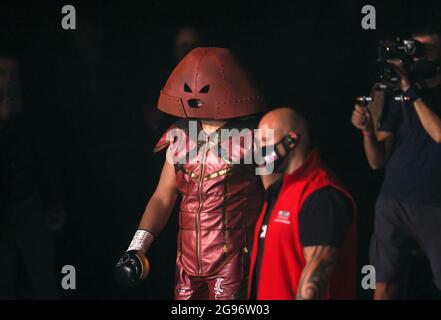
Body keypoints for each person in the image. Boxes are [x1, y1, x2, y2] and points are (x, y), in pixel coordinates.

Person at [115, 47, 267, 299]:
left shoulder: (254, 138)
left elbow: (276, 195)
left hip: (234, 260)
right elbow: (163, 197)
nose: (196, 93)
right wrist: (137, 247)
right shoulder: (179, 136)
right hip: (187, 262)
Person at [351, 27, 441, 299]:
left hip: (435, 205)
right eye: (412, 51)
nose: (415, 59)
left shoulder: (413, 94)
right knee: (384, 285)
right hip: (393, 202)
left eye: (423, 51)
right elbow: (377, 161)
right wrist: (366, 130)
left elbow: (438, 134)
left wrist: (410, 91)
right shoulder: (396, 97)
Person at [249, 107, 356, 300]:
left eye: (264, 142)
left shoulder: (322, 195)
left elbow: (316, 279)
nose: (259, 150)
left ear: (292, 140)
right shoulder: (278, 191)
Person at [0, 50, 64, 299]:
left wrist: (54, 202)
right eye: (2, 74)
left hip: (29, 205)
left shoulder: (31, 116)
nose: (8, 80)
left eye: (13, 75)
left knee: (43, 276)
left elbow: (45, 160)